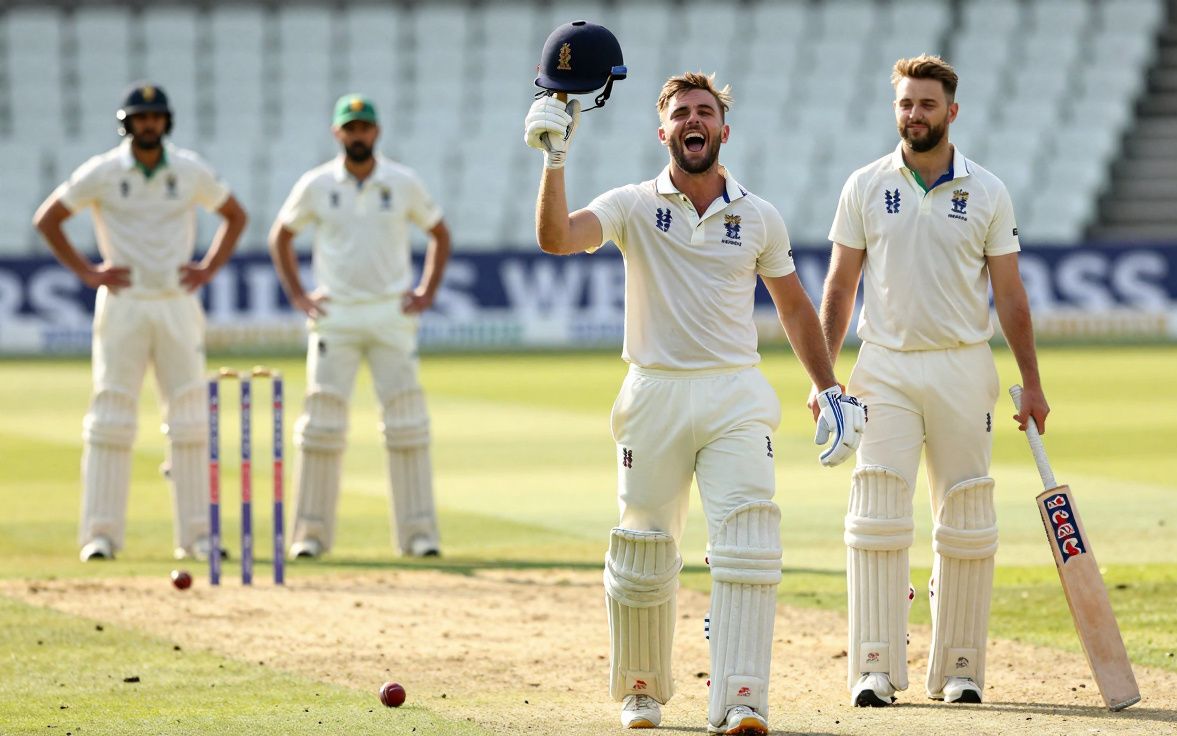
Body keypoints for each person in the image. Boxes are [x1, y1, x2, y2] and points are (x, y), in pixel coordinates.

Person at [526, 70, 864, 735]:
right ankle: (643, 691)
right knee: (645, 548)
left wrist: (830, 387)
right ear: (664, 131)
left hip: (735, 393)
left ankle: (741, 696)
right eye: (681, 113)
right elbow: (556, 238)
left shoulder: (759, 215)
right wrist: (555, 159)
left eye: (704, 112)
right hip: (654, 391)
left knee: (748, 540)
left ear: (723, 130)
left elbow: (794, 307)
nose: (693, 121)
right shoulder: (630, 203)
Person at [812, 54, 1051, 707]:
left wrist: (1031, 382)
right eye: (905, 104)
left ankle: (961, 668)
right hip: (882, 365)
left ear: (952, 110)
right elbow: (839, 287)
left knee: (967, 516)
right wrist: (824, 378)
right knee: (877, 513)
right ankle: (873, 669)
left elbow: (1012, 297)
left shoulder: (988, 192)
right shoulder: (864, 185)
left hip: (962, 363)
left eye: (926, 103)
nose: (914, 114)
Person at [32, 82, 248, 562]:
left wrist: (209, 266)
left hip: (175, 301)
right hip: (124, 303)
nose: (148, 125)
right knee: (111, 417)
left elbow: (235, 215)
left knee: (191, 420)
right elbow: (47, 219)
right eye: (140, 118)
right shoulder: (105, 172)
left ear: (166, 122)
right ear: (126, 123)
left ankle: (199, 536)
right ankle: (100, 536)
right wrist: (88, 271)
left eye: (155, 117)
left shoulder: (189, 169)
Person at [269, 94, 451, 560]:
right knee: (321, 427)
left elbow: (439, 233)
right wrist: (298, 295)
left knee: (407, 425)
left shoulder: (402, 181)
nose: (357, 135)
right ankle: (309, 536)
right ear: (337, 133)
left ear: (376, 132)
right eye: (350, 128)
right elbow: (281, 235)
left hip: (392, 314)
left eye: (364, 127)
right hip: (337, 316)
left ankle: (419, 537)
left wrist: (426, 291)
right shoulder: (316, 184)